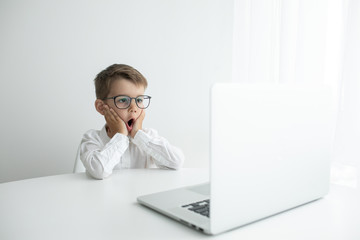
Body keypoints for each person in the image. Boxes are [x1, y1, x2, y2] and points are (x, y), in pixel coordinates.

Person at [80, 64, 184, 179]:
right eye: (123, 100)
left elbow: (176, 162)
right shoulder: (92, 138)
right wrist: (120, 135)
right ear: (101, 107)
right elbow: (99, 171)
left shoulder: (148, 136)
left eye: (139, 100)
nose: (134, 108)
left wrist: (139, 135)